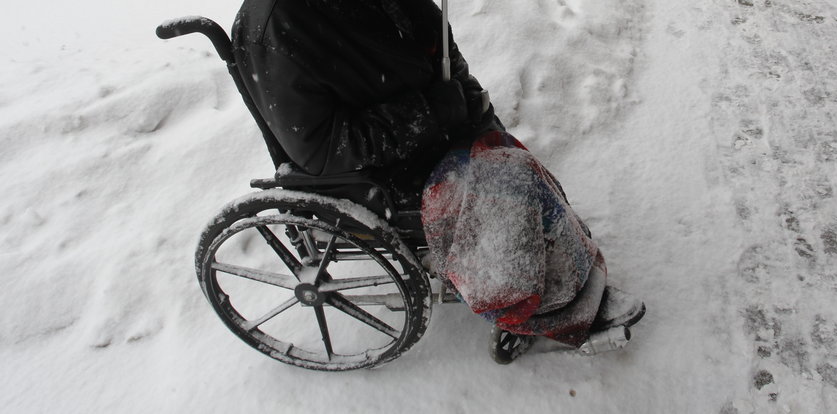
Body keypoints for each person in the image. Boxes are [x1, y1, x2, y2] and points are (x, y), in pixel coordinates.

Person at [231, 0, 643, 354]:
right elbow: (325, 149)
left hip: (427, 133)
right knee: (507, 183)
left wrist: (475, 112)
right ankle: (549, 309)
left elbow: (441, 51)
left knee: (509, 159)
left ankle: (555, 263)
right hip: (375, 174)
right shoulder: (277, 27)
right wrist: (433, 111)